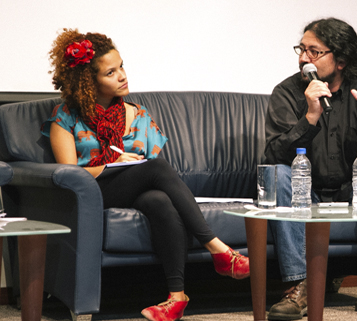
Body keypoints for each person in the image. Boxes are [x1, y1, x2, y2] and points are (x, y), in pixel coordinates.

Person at [41, 29, 250, 321]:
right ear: (89, 82)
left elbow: (154, 177)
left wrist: (131, 167)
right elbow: (69, 173)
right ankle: (219, 249)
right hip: (92, 193)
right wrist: (112, 162)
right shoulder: (65, 117)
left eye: (122, 66)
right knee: (155, 168)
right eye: (111, 72)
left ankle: (176, 298)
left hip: (133, 189)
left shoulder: (138, 114)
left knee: (159, 200)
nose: (122, 75)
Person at [264, 18, 357, 319]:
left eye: (314, 51)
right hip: (306, 190)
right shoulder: (288, 92)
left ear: (342, 60)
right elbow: (273, 155)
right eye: (301, 49)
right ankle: (299, 287)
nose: (303, 58)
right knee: (280, 174)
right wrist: (308, 118)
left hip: (354, 190)